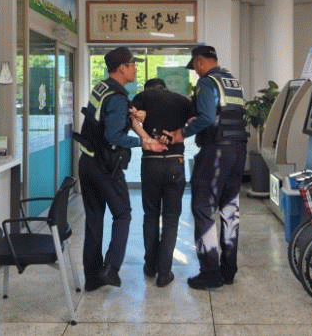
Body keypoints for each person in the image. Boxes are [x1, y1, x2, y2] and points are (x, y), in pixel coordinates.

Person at [76, 47, 166, 292]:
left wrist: (129, 115)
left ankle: (92, 277)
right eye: (133, 64)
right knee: (123, 213)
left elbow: (101, 120)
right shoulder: (117, 97)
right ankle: (111, 268)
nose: (135, 68)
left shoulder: (102, 88)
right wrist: (143, 142)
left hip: (87, 162)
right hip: (105, 166)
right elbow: (113, 136)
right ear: (122, 68)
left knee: (94, 219)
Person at [164, 45, 248, 290]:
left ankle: (210, 273)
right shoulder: (232, 82)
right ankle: (228, 270)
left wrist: (182, 133)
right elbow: (224, 115)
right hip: (238, 150)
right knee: (230, 209)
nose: (195, 72)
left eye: (194, 67)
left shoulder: (207, 82)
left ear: (200, 61)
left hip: (217, 152)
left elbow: (208, 118)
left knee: (203, 207)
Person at [131, 78, 194, 287]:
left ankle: (150, 266)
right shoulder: (181, 101)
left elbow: (131, 118)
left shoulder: (143, 97)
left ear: (148, 89)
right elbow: (197, 120)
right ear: (165, 88)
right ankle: (164, 273)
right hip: (175, 162)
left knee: (150, 215)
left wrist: (147, 139)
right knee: (171, 218)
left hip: (151, 163)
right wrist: (179, 135)